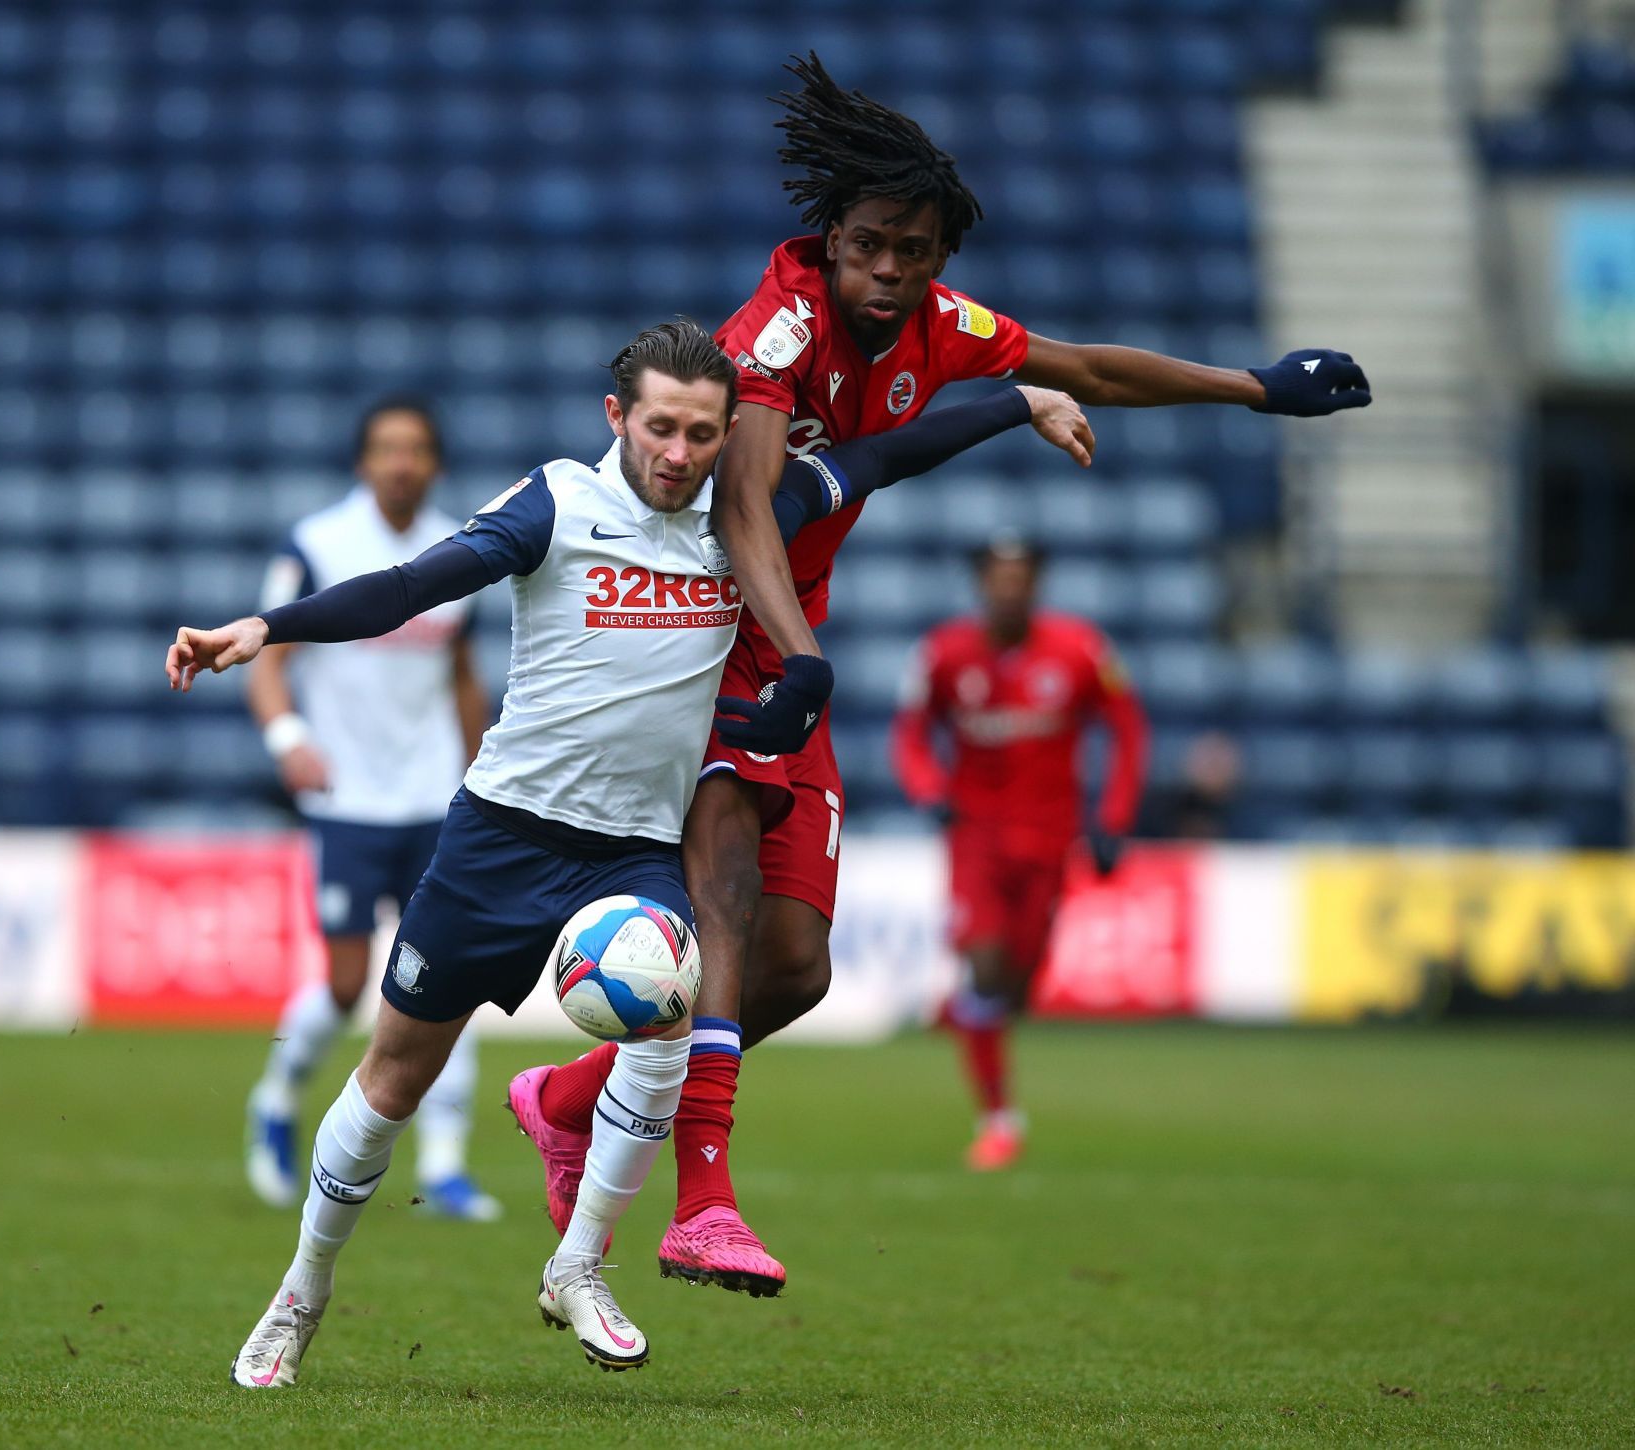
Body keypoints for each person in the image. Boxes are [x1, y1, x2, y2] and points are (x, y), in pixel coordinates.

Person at [521, 53, 1372, 1299]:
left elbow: (1086, 365)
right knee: (726, 914)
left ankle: (566, 1096)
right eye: (868, 243)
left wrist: (1252, 388)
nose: (888, 269)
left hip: (787, 643)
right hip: (698, 637)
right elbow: (747, 508)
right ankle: (702, 1198)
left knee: (798, 969)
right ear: (833, 237)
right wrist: (802, 658)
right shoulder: (780, 330)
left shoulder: (943, 326)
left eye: (912, 250)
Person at [167, 321, 1076, 1386]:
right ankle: (302, 1290)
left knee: (667, 1019)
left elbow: (884, 455)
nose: (678, 453)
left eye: (701, 433)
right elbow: (415, 584)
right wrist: (265, 629)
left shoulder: (745, 520)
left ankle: (580, 1261)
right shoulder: (557, 501)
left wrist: (1021, 401)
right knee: (392, 1080)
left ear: (729, 431)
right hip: (503, 833)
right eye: (659, 428)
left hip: (635, 846)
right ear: (617, 418)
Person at [242, 397, 500, 1222]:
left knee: (449, 979)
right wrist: (288, 739)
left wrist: (480, 770)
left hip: (434, 798)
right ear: (362, 461)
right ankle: (277, 1098)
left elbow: (462, 673)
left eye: (416, 448)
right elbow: (266, 659)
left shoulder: (460, 549)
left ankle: (448, 1166)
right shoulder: (316, 546)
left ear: (436, 464)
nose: (401, 461)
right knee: (351, 984)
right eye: (386, 448)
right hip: (348, 799)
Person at [891, 535, 1148, 1169]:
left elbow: (1128, 731)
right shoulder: (944, 655)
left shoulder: (1082, 650)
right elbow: (911, 736)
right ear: (982, 585)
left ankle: (966, 1013)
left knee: (1017, 986)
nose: (1010, 590)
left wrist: (1113, 820)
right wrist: (930, 791)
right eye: (999, 579)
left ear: (1037, 584)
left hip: (1051, 839)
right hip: (976, 837)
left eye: (1021, 579)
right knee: (984, 964)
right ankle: (999, 1119)